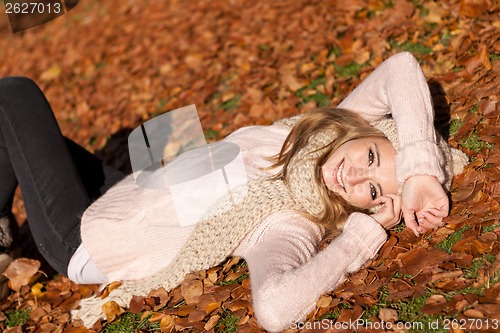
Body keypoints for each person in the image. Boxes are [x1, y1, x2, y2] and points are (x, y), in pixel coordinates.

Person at [0, 52, 467, 331]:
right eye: (370, 158)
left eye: (370, 190)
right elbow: (402, 67)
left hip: (90, 239)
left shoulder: (288, 222)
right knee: (31, 137)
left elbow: (275, 308)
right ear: (360, 130)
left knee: (15, 95)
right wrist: (420, 169)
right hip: (134, 191)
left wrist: (361, 236)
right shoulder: (320, 135)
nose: (353, 178)